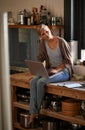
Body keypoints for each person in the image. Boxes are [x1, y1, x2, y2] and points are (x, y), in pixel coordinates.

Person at [28, 24, 73, 125]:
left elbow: (68, 62)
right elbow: (40, 58)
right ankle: (33, 112)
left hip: (64, 71)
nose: (46, 35)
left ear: (50, 29)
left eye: (47, 31)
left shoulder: (61, 42)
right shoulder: (43, 43)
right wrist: (38, 71)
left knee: (41, 82)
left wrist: (57, 70)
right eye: (43, 34)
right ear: (41, 36)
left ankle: (34, 113)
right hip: (51, 70)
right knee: (33, 81)